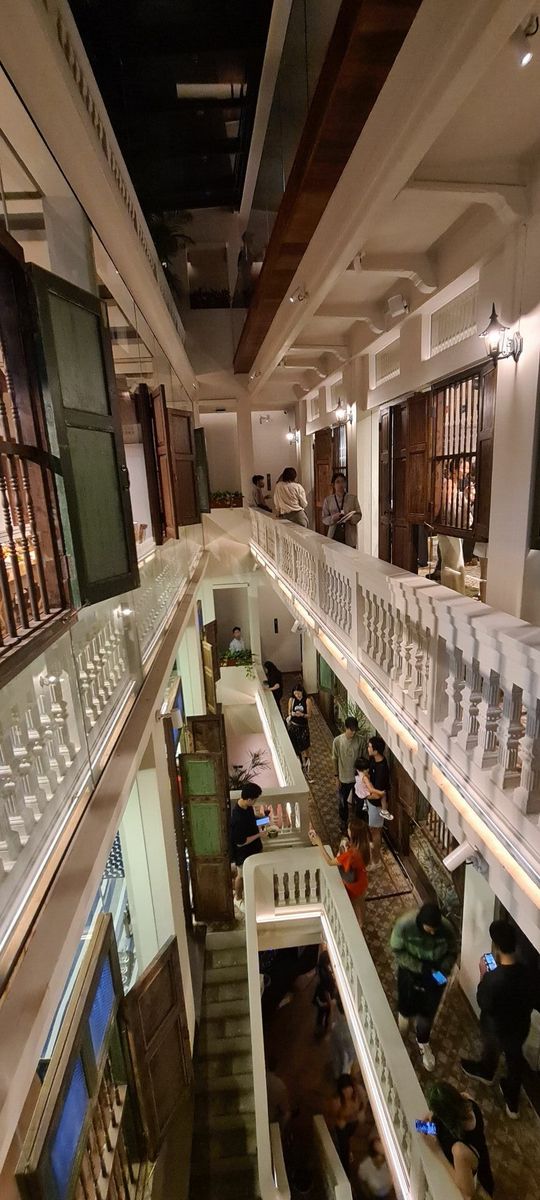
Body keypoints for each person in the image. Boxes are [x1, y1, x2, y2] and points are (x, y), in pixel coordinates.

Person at [460, 919, 540, 1119]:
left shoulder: (494, 979)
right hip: (520, 1027)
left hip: (496, 1029)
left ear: (495, 947)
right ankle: (512, 1103)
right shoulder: (529, 975)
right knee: (515, 1059)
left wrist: (483, 974)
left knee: (491, 1051)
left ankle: (487, 1072)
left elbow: (483, 1001)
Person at [390, 902, 457, 1072]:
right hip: (411, 970)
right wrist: (420, 967)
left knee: (428, 1011)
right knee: (406, 1005)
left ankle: (423, 1041)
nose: (433, 932)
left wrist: (443, 970)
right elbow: (397, 950)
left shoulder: (446, 929)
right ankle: (401, 1032)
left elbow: (452, 952)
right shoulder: (405, 925)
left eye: (435, 929)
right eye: (429, 929)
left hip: (436, 971)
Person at [423, 1082, 494, 1198]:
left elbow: (467, 1191)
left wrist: (437, 1151)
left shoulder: (459, 1150)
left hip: (471, 1173)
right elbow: (423, 1127)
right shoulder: (467, 1101)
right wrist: (426, 1123)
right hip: (482, 1157)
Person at [309, 818, 369, 925]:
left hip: (353, 886)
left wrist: (319, 843)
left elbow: (330, 862)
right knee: (361, 903)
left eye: (349, 829)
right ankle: (362, 922)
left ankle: (357, 925)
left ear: (353, 834)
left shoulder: (350, 855)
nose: (347, 830)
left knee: (353, 906)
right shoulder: (364, 847)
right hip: (362, 880)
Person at [230, 782, 265, 903]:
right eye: (255, 800)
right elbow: (240, 842)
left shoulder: (246, 807)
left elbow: (252, 821)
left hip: (254, 848)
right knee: (241, 876)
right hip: (243, 853)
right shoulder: (237, 818)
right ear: (249, 799)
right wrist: (259, 835)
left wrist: (265, 820)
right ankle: (238, 898)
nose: (255, 802)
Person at [330, 1073, 367, 1172]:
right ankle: (345, 1169)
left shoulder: (358, 1092)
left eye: (349, 1088)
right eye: (344, 1090)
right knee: (343, 1146)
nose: (347, 1092)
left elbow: (364, 1102)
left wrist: (361, 1112)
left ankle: (347, 1150)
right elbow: (336, 1116)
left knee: (348, 1138)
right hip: (342, 1125)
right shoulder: (337, 1101)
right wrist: (343, 1119)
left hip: (353, 1122)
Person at [332, 717, 363, 832]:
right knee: (342, 802)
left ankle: (357, 823)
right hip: (343, 778)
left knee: (359, 802)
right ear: (346, 728)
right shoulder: (338, 741)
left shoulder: (360, 740)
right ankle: (343, 821)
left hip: (357, 778)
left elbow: (363, 759)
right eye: (351, 730)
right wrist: (336, 777)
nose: (353, 733)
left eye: (355, 730)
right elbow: (334, 759)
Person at [322, 471, 362, 548]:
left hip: (349, 534)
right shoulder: (328, 500)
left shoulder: (353, 498)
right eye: (337, 482)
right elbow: (324, 518)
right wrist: (333, 518)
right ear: (333, 485)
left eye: (343, 481)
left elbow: (359, 515)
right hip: (334, 534)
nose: (341, 484)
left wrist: (350, 517)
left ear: (345, 483)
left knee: (349, 554)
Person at [287, 682, 313, 780]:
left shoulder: (307, 700)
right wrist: (292, 714)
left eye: (298, 693)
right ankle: (300, 765)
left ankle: (307, 766)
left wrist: (302, 715)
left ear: (302, 692)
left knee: (305, 747)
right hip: (293, 726)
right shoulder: (292, 700)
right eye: (295, 693)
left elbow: (309, 715)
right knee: (296, 747)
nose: (297, 695)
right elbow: (289, 712)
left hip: (303, 727)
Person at [330, 993, 356, 1076]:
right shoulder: (350, 1011)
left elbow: (333, 1019)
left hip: (339, 1030)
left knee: (340, 1053)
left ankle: (340, 1072)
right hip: (345, 1032)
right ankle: (344, 1073)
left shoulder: (334, 1004)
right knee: (347, 1054)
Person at [313, 946, 336, 1034]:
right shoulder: (324, 973)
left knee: (321, 1012)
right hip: (324, 997)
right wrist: (329, 1001)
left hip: (321, 996)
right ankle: (324, 1026)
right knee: (324, 1011)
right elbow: (326, 989)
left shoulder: (320, 968)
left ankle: (322, 1026)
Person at [266, 1058, 291, 1131]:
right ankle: (280, 1134)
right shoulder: (279, 1084)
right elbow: (285, 1108)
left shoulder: (261, 1080)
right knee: (287, 1114)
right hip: (271, 1119)